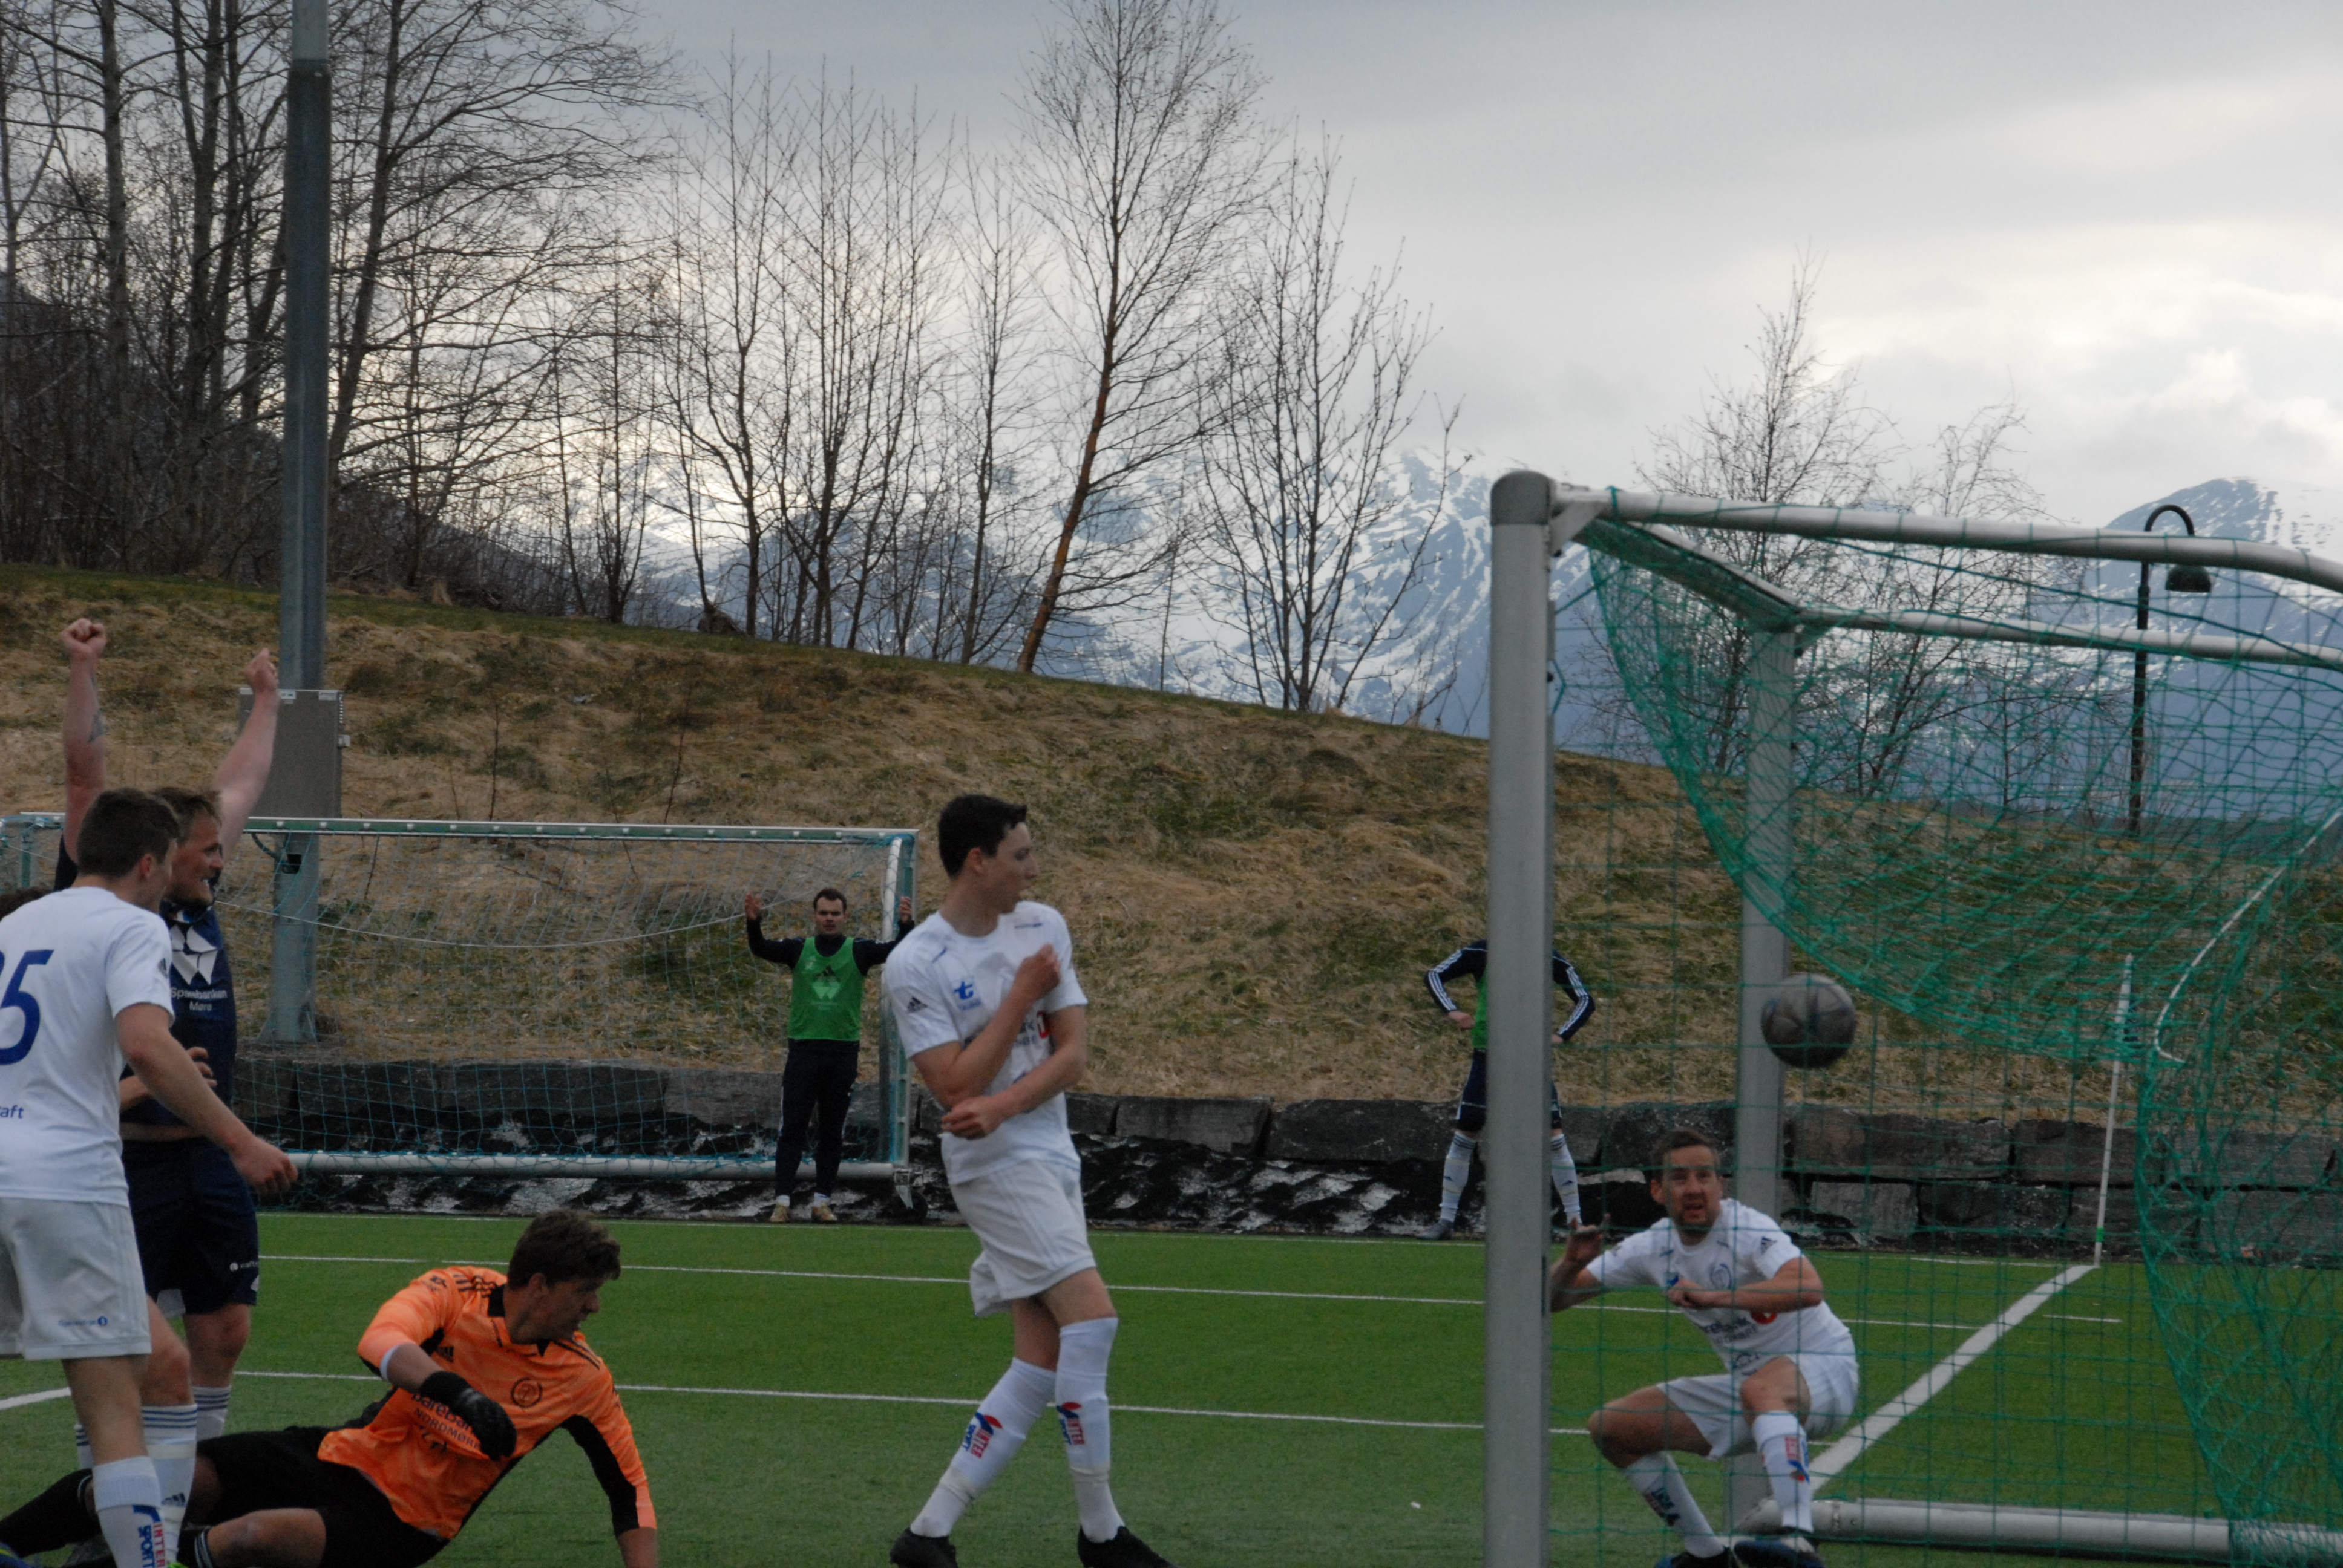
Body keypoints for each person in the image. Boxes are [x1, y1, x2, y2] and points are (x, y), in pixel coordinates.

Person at [0, 1209, 658, 1568]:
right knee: (169, 1475)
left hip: (404, 1524)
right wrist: (461, 1396)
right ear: (538, 1285)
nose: (594, 1308)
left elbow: (628, 1491)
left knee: (255, 1537)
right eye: (586, 1292)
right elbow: (381, 1342)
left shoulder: (582, 1377)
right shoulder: (458, 1290)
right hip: (341, 1455)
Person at [0, 788, 297, 1568]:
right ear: (145, 863)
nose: (170, 882)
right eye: (167, 866)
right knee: (115, 1408)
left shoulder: (15, 924)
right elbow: (148, 1043)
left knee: (160, 1372)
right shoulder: (133, 926)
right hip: (67, 1182)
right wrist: (238, 1140)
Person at [881, 795, 1175, 1568]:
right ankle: (1102, 1535)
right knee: (1094, 1321)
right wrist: (1017, 1000)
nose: (1033, 869)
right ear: (977, 863)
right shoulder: (918, 962)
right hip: (993, 1169)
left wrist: (1006, 1100)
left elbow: (1071, 1055)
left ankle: (928, 1534)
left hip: (1048, 1151)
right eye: (1020, 855)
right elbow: (951, 1087)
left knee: (1038, 1362)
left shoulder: (1044, 925)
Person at [54, 618, 283, 1511]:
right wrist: (83, 669)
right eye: (210, 850)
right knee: (128, 1354)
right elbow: (85, 776)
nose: (221, 862)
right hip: (124, 1152)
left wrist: (267, 700)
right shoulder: (114, 888)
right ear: (162, 856)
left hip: (202, 1153)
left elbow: (245, 779)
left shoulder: (200, 892)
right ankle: (101, 1497)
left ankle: (200, 1490)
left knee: (222, 1328)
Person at [1548, 1128, 1861, 1568]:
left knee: (1759, 1390)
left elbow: (1809, 1287)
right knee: (1613, 1428)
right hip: (1753, 1387)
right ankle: (1708, 1557)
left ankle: (1799, 1542)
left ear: (1720, 1185)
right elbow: (1551, 1301)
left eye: (1705, 1176)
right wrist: (1570, 1264)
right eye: (1679, 1178)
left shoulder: (1746, 1227)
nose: (1694, 1188)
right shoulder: (1652, 1247)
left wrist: (1716, 1298)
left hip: (1827, 1370)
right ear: (1657, 1190)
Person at [744, 886, 915, 1223]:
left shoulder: (859, 951)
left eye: (835, 913)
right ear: (815, 916)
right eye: (823, 913)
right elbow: (760, 947)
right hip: (804, 1050)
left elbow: (898, 950)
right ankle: (782, 1202)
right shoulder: (799, 949)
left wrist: (906, 925)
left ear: (845, 916)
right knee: (792, 1126)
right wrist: (754, 922)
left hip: (842, 1054)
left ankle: (822, 1202)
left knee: (832, 1130)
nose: (829, 919)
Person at [1422, 936, 1597, 1239]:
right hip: (1488, 1057)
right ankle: (1446, 1220)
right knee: (1466, 1132)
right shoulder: (1482, 951)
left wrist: (1562, 1035)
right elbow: (1434, 975)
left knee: (1553, 1135)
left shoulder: (1546, 956)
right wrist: (1453, 1011)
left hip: (1530, 1061)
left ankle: (1575, 1222)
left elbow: (1585, 999)